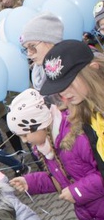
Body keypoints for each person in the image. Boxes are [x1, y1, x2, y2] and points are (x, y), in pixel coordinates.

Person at [7, 88, 104, 220]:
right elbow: (59, 178)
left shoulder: (76, 139)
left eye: (25, 134)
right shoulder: (48, 147)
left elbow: (100, 174)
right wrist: (30, 182)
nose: (25, 141)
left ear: (39, 124)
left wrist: (76, 191)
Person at [39, 39, 104, 180]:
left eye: (69, 83)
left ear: (93, 68)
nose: (64, 93)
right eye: (59, 88)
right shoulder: (86, 115)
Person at [21, 12, 64, 93]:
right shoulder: (37, 73)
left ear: (50, 41)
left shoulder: (70, 64)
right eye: (26, 49)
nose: (29, 54)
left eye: (32, 46)